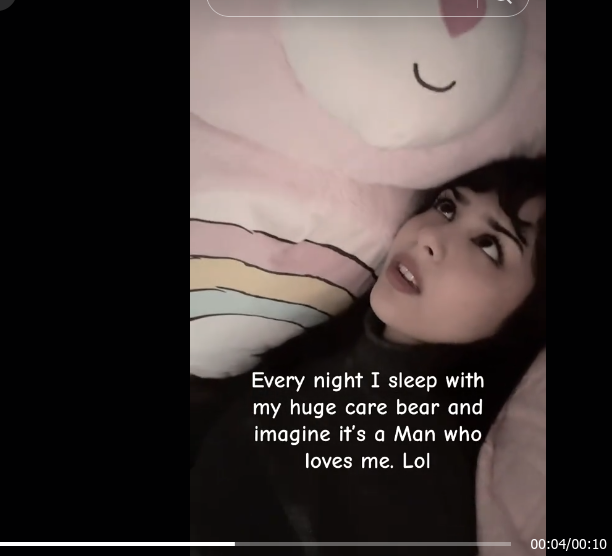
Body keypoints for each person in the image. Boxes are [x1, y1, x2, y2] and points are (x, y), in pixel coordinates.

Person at [190, 157, 546, 553]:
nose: (429, 236)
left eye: (488, 244)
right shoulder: (316, 337)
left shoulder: (419, 476)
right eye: (447, 207)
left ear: (527, 318)